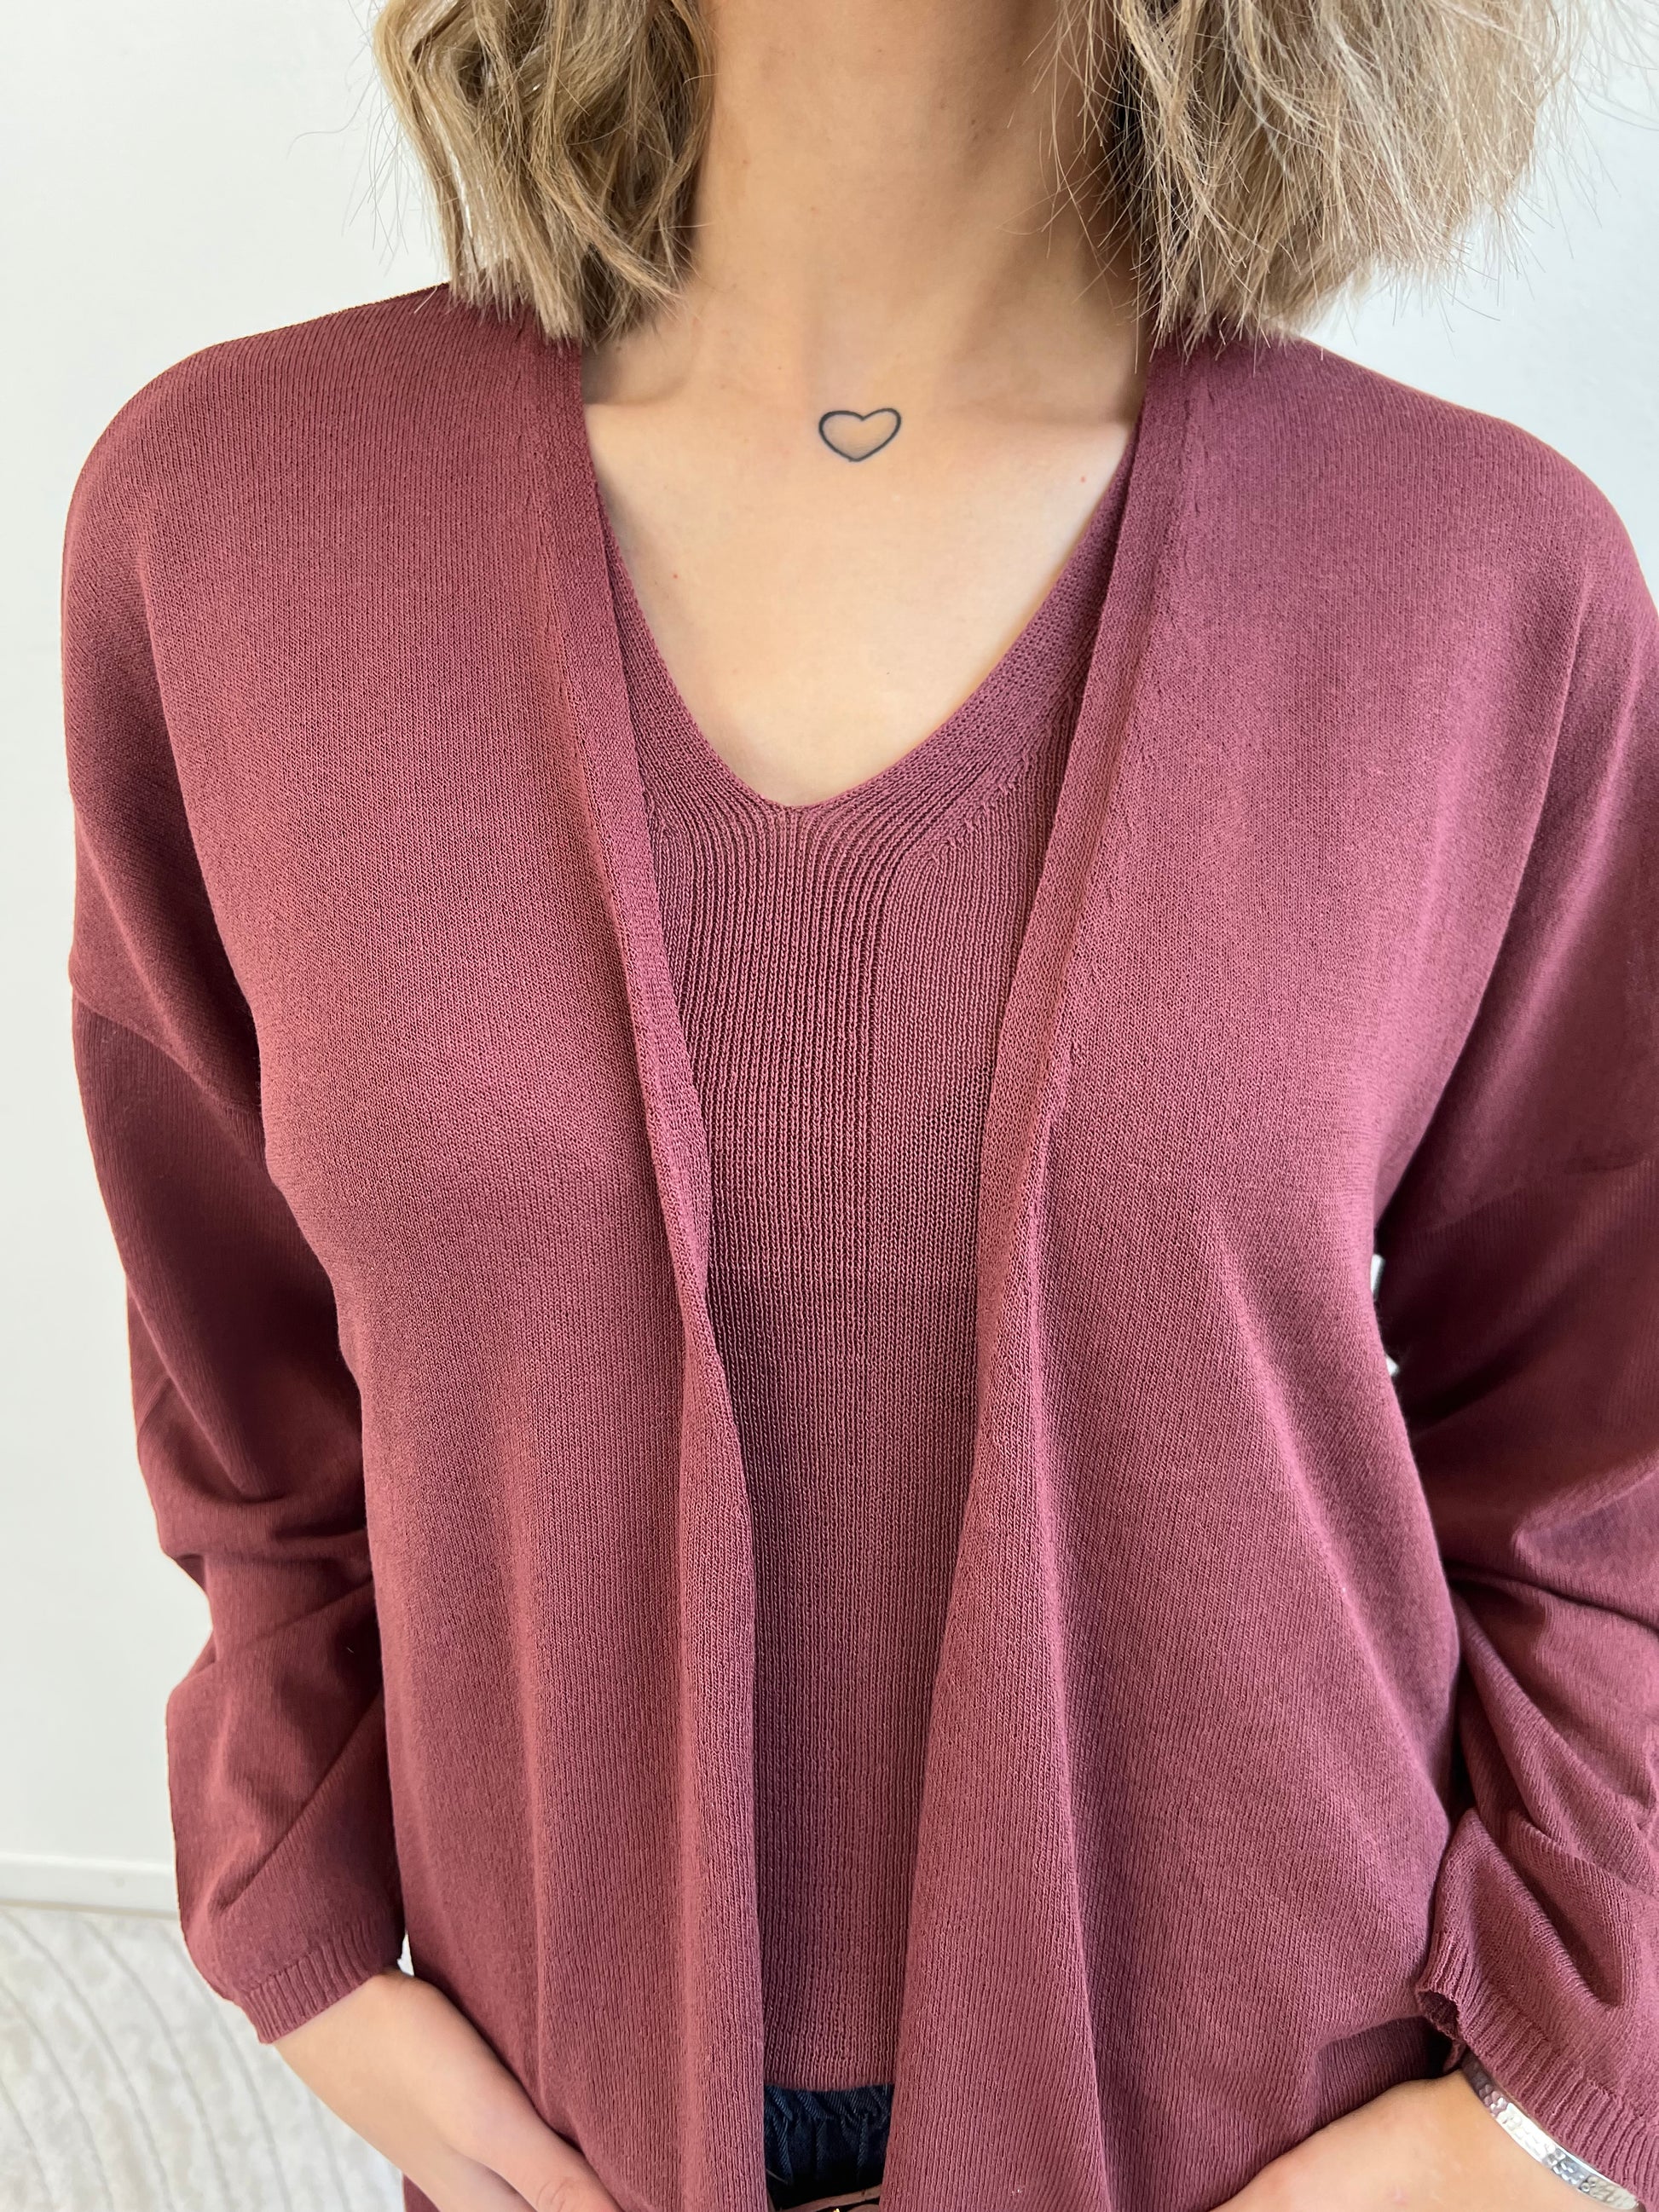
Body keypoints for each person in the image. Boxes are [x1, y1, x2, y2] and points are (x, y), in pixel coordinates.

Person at [59, 0, 1658, 2204]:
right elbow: (239, 1384)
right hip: (567, 2111)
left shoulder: (1480, 582)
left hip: (1282, 2121)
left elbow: (1596, 1446)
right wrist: (304, 1926)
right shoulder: (234, 527)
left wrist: (1522, 2096)